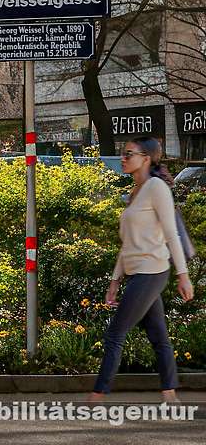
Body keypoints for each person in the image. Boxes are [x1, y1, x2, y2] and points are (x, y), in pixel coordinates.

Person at [92, 136, 193, 401]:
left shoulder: (156, 188)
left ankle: (98, 394)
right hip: (138, 271)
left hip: (153, 270)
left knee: (115, 332)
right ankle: (170, 392)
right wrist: (115, 280)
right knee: (158, 333)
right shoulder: (135, 194)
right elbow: (127, 245)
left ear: (146, 159)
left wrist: (183, 276)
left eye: (129, 154)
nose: (123, 159)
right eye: (123, 154)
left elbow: (171, 234)